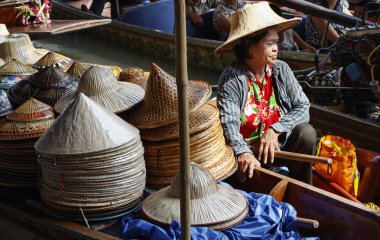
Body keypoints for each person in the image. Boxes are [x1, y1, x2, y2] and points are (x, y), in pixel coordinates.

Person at [215, 2, 317, 184]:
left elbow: (303, 106)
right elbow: (228, 124)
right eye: (270, 43)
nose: (276, 48)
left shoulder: (281, 69)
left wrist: (275, 130)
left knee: (306, 133)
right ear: (250, 48)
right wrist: (243, 152)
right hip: (250, 154)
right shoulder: (232, 79)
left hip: (278, 146)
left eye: (276, 42)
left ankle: (303, 188)